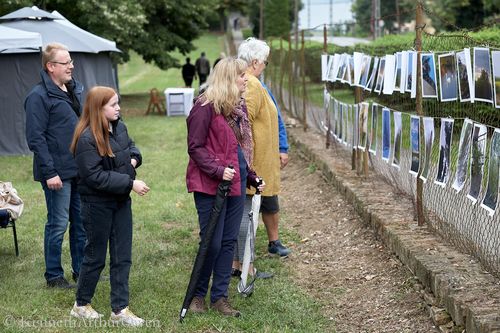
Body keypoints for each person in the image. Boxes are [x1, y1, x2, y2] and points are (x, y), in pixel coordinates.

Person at [186, 58, 264, 317]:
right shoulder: (204, 107)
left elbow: (237, 150)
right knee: (212, 242)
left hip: (236, 183)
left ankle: (220, 297)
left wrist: (250, 175)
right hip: (210, 185)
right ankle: (198, 295)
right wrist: (218, 170)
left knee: (229, 242)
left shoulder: (235, 109)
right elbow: (195, 147)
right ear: (229, 78)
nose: (246, 79)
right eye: (242, 75)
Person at [69, 86, 149, 326]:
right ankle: (81, 305)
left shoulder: (119, 127)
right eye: (113, 105)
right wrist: (130, 182)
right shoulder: (86, 139)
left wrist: (134, 158)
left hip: (121, 202)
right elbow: (94, 177)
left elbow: (132, 148)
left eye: (118, 104)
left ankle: (119, 310)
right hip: (97, 205)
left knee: (122, 255)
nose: (118, 108)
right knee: (95, 256)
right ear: (98, 109)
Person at [24, 42, 86, 289]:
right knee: (58, 224)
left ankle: (81, 271)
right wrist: (50, 172)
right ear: (51, 66)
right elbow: (35, 138)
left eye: (71, 61)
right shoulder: (38, 96)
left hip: (78, 169)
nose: (71, 66)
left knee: (80, 223)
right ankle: (53, 276)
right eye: (66, 62)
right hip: (57, 174)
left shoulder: (74, 90)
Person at [232, 37, 291, 279]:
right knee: (247, 218)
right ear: (255, 61)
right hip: (253, 164)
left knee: (248, 215)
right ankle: (244, 267)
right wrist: (247, 163)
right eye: (265, 62)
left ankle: (240, 265)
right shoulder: (253, 85)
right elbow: (241, 124)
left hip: (256, 163)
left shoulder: (251, 82)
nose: (265, 65)